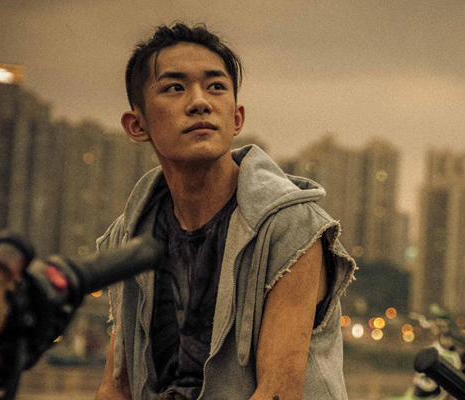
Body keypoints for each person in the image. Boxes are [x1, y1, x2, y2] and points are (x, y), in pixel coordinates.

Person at [95, 23, 356, 400]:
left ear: (236, 119)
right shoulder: (132, 236)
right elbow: (116, 386)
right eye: (175, 88)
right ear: (137, 125)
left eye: (216, 86)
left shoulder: (291, 228)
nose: (199, 102)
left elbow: (278, 391)